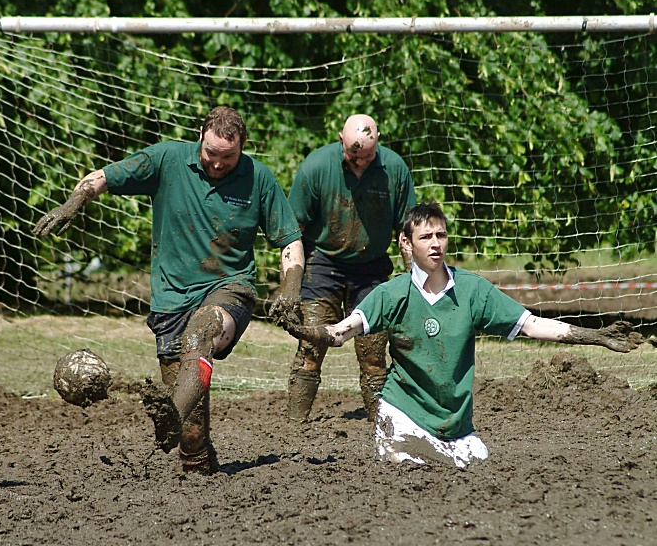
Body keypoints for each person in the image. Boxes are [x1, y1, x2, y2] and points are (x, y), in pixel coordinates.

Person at [34, 106, 304, 475]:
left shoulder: (259, 178)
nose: (219, 163)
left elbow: (290, 240)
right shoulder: (167, 159)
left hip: (229, 289)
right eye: (211, 153)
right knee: (190, 432)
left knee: (201, 333)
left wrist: (290, 290)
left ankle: (171, 416)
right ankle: (199, 472)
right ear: (200, 136)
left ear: (242, 147)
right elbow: (103, 177)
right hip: (171, 301)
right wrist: (74, 203)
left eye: (229, 156)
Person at [278, 202, 643, 468]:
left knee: (478, 465)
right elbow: (342, 332)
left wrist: (597, 336)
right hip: (402, 417)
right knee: (411, 477)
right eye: (426, 237)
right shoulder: (390, 294)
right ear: (407, 244)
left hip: (456, 425)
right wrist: (303, 329)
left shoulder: (472, 290)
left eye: (441, 234)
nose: (436, 243)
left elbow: (532, 324)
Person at [286, 113, 416, 422]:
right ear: (341, 140)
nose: (359, 163)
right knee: (311, 347)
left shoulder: (395, 170)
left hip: (371, 271)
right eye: (352, 156)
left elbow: (408, 233)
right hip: (323, 265)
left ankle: (380, 422)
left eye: (367, 157)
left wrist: (417, 282)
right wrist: (290, 286)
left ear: (378, 141)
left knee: (373, 354)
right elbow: (294, 231)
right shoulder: (316, 167)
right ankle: (293, 426)